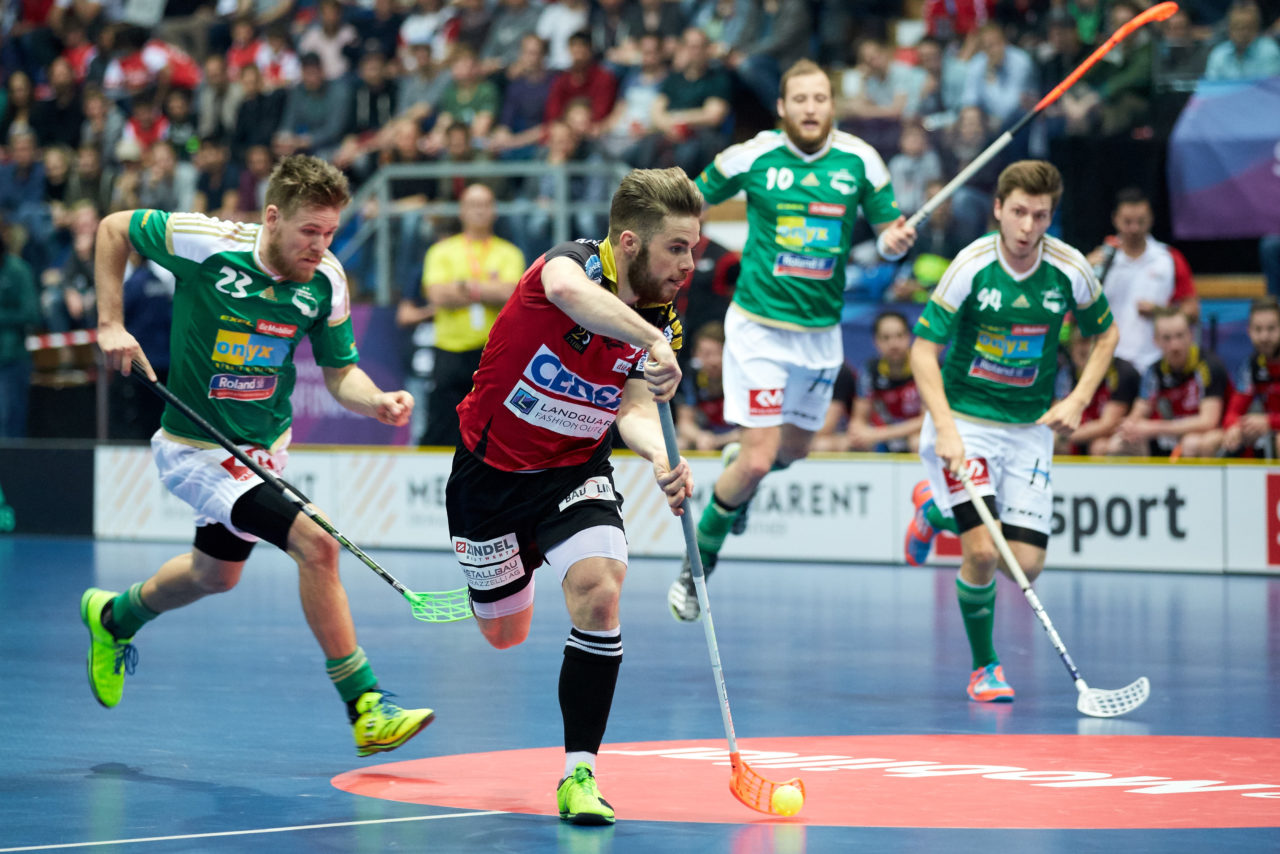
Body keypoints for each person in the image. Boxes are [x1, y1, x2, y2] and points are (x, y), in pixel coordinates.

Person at [83, 154, 435, 757]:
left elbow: (340, 370)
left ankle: (115, 617)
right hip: (195, 448)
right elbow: (114, 227)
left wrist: (375, 401)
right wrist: (111, 321)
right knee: (317, 544)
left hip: (262, 453)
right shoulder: (206, 245)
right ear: (272, 218)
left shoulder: (326, 279)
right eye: (309, 232)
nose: (320, 247)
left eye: (329, 233)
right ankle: (366, 705)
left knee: (213, 575)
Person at [444, 167, 698, 824]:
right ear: (632, 244)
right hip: (489, 478)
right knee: (504, 634)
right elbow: (564, 289)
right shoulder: (575, 265)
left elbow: (633, 404)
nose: (689, 264)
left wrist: (662, 456)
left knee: (600, 591)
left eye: (694, 248)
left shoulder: (661, 315)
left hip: (573, 472)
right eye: (678, 247)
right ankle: (514, 568)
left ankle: (578, 773)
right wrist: (649, 339)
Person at [666, 59, 915, 622]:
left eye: (820, 98)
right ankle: (697, 565)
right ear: (782, 108)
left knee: (793, 452)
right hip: (758, 328)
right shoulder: (754, 154)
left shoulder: (860, 160)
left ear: (832, 105)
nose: (810, 108)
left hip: (821, 337)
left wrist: (896, 240)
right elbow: (692, 198)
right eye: (799, 98)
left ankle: (736, 471)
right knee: (757, 462)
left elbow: (889, 233)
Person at [901, 160, 1119, 703]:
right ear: (998, 209)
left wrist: (1078, 399)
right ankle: (985, 668)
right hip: (967, 424)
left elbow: (1106, 334)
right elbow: (922, 351)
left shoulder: (1069, 269)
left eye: (1040, 215)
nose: (1027, 227)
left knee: (1025, 565)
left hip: (1028, 430)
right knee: (978, 552)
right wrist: (946, 430)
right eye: (1018, 212)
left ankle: (934, 509)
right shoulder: (971, 265)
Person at [421, 183, 524, 447]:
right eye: (473, 205)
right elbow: (437, 295)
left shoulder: (510, 253)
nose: (479, 211)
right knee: (442, 425)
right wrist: (488, 289)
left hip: (493, 352)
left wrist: (464, 286)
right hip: (450, 349)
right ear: (462, 211)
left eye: (485, 205)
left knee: (495, 429)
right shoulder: (441, 251)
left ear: (494, 211)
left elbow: (511, 293)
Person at [1106, 307, 1228, 458]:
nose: (1175, 345)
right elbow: (1139, 411)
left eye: (1180, 336)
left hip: (1209, 434)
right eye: (1167, 338)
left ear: (1191, 335)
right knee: (1117, 443)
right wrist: (1130, 426)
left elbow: (1208, 421)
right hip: (1169, 434)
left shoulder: (1208, 366)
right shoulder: (1153, 371)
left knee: (1192, 443)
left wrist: (1154, 428)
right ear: (1155, 341)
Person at [1087, 187, 1176, 375]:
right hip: (1110, 362)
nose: (1134, 228)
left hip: (1156, 362)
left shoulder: (1168, 259)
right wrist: (1085, 273)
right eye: (1127, 222)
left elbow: (1191, 310)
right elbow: (1076, 310)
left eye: (1140, 221)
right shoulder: (1099, 261)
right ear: (1115, 219)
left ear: (1151, 218)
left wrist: (1160, 311)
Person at [1054, 322, 1141, 456]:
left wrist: (1063, 436)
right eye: (1079, 342)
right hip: (1078, 435)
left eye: (1089, 342)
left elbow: (1108, 424)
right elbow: (1058, 416)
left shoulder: (1122, 371)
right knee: (1053, 445)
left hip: (1118, 437)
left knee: (1100, 446)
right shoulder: (1065, 373)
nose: (1084, 349)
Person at [846, 311, 923, 453]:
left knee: (918, 442)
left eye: (899, 336)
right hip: (884, 438)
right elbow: (858, 419)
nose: (893, 344)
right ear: (876, 341)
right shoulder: (870, 370)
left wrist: (880, 434)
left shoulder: (924, 368)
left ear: (909, 337)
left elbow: (928, 420)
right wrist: (858, 432)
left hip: (915, 436)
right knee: (846, 444)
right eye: (886, 338)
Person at [1215, 296, 1280, 457]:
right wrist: (1234, 427)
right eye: (1258, 329)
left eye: (1271, 329)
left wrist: (1268, 422)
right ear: (1249, 331)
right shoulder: (1251, 366)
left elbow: (1268, 422)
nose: (1264, 337)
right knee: (1221, 439)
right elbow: (1233, 412)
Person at [0, 223, 41, 439]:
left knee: (9, 425)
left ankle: (9, 472)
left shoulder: (18, 270)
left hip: (11, 360)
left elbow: (32, 313)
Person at [676, 320, 739, 451]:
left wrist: (719, 441)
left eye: (718, 353)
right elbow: (684, 424)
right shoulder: (690, 376)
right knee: (680, 443)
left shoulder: (739, 376)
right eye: (706, 354)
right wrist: (700, 437)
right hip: (706, 438)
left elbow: (753, 429)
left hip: (736, 438)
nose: (713, 361)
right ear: (695, 354)